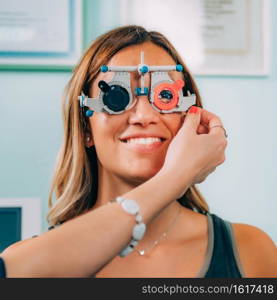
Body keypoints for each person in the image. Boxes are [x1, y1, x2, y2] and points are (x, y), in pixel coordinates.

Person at [0, 25, 276, 278]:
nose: (143, 116)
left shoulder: (251, 251)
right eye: (116, 97)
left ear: (191, 116)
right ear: (85, 129)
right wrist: (176, 177)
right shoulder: (36, 264)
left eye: (165, 96)